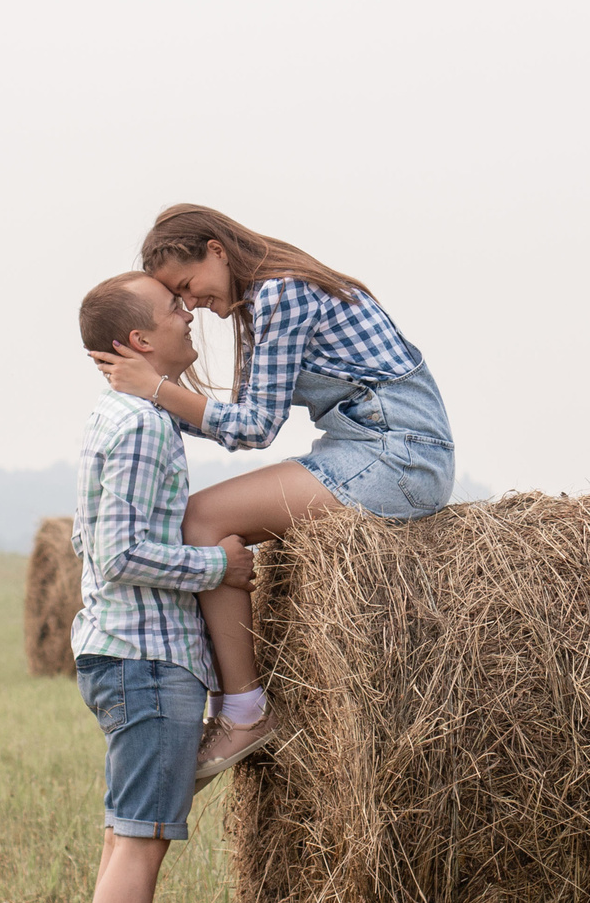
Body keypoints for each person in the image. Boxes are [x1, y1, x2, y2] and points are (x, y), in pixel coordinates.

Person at [90, 204, 454, 782]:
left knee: (202, 522)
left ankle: (243, 712)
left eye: (189, 288)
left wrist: (155, 386)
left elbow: (252, 428)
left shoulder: (281, 293)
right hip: (368, 446)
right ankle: (236, 702)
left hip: (398, 456)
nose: (194, 307)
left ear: (216, 249)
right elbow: (233, 419)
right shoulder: (269, 296)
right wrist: (144, 391)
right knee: (205, 520)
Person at [69, 269, 255, 903]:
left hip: (126, 656)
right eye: (175, 308)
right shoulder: (144, 427)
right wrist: (222, 568)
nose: (190, 315)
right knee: (139, 845)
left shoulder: (121, 418)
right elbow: (117, 553)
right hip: (147, 660)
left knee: (129, 838)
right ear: (138, 340)